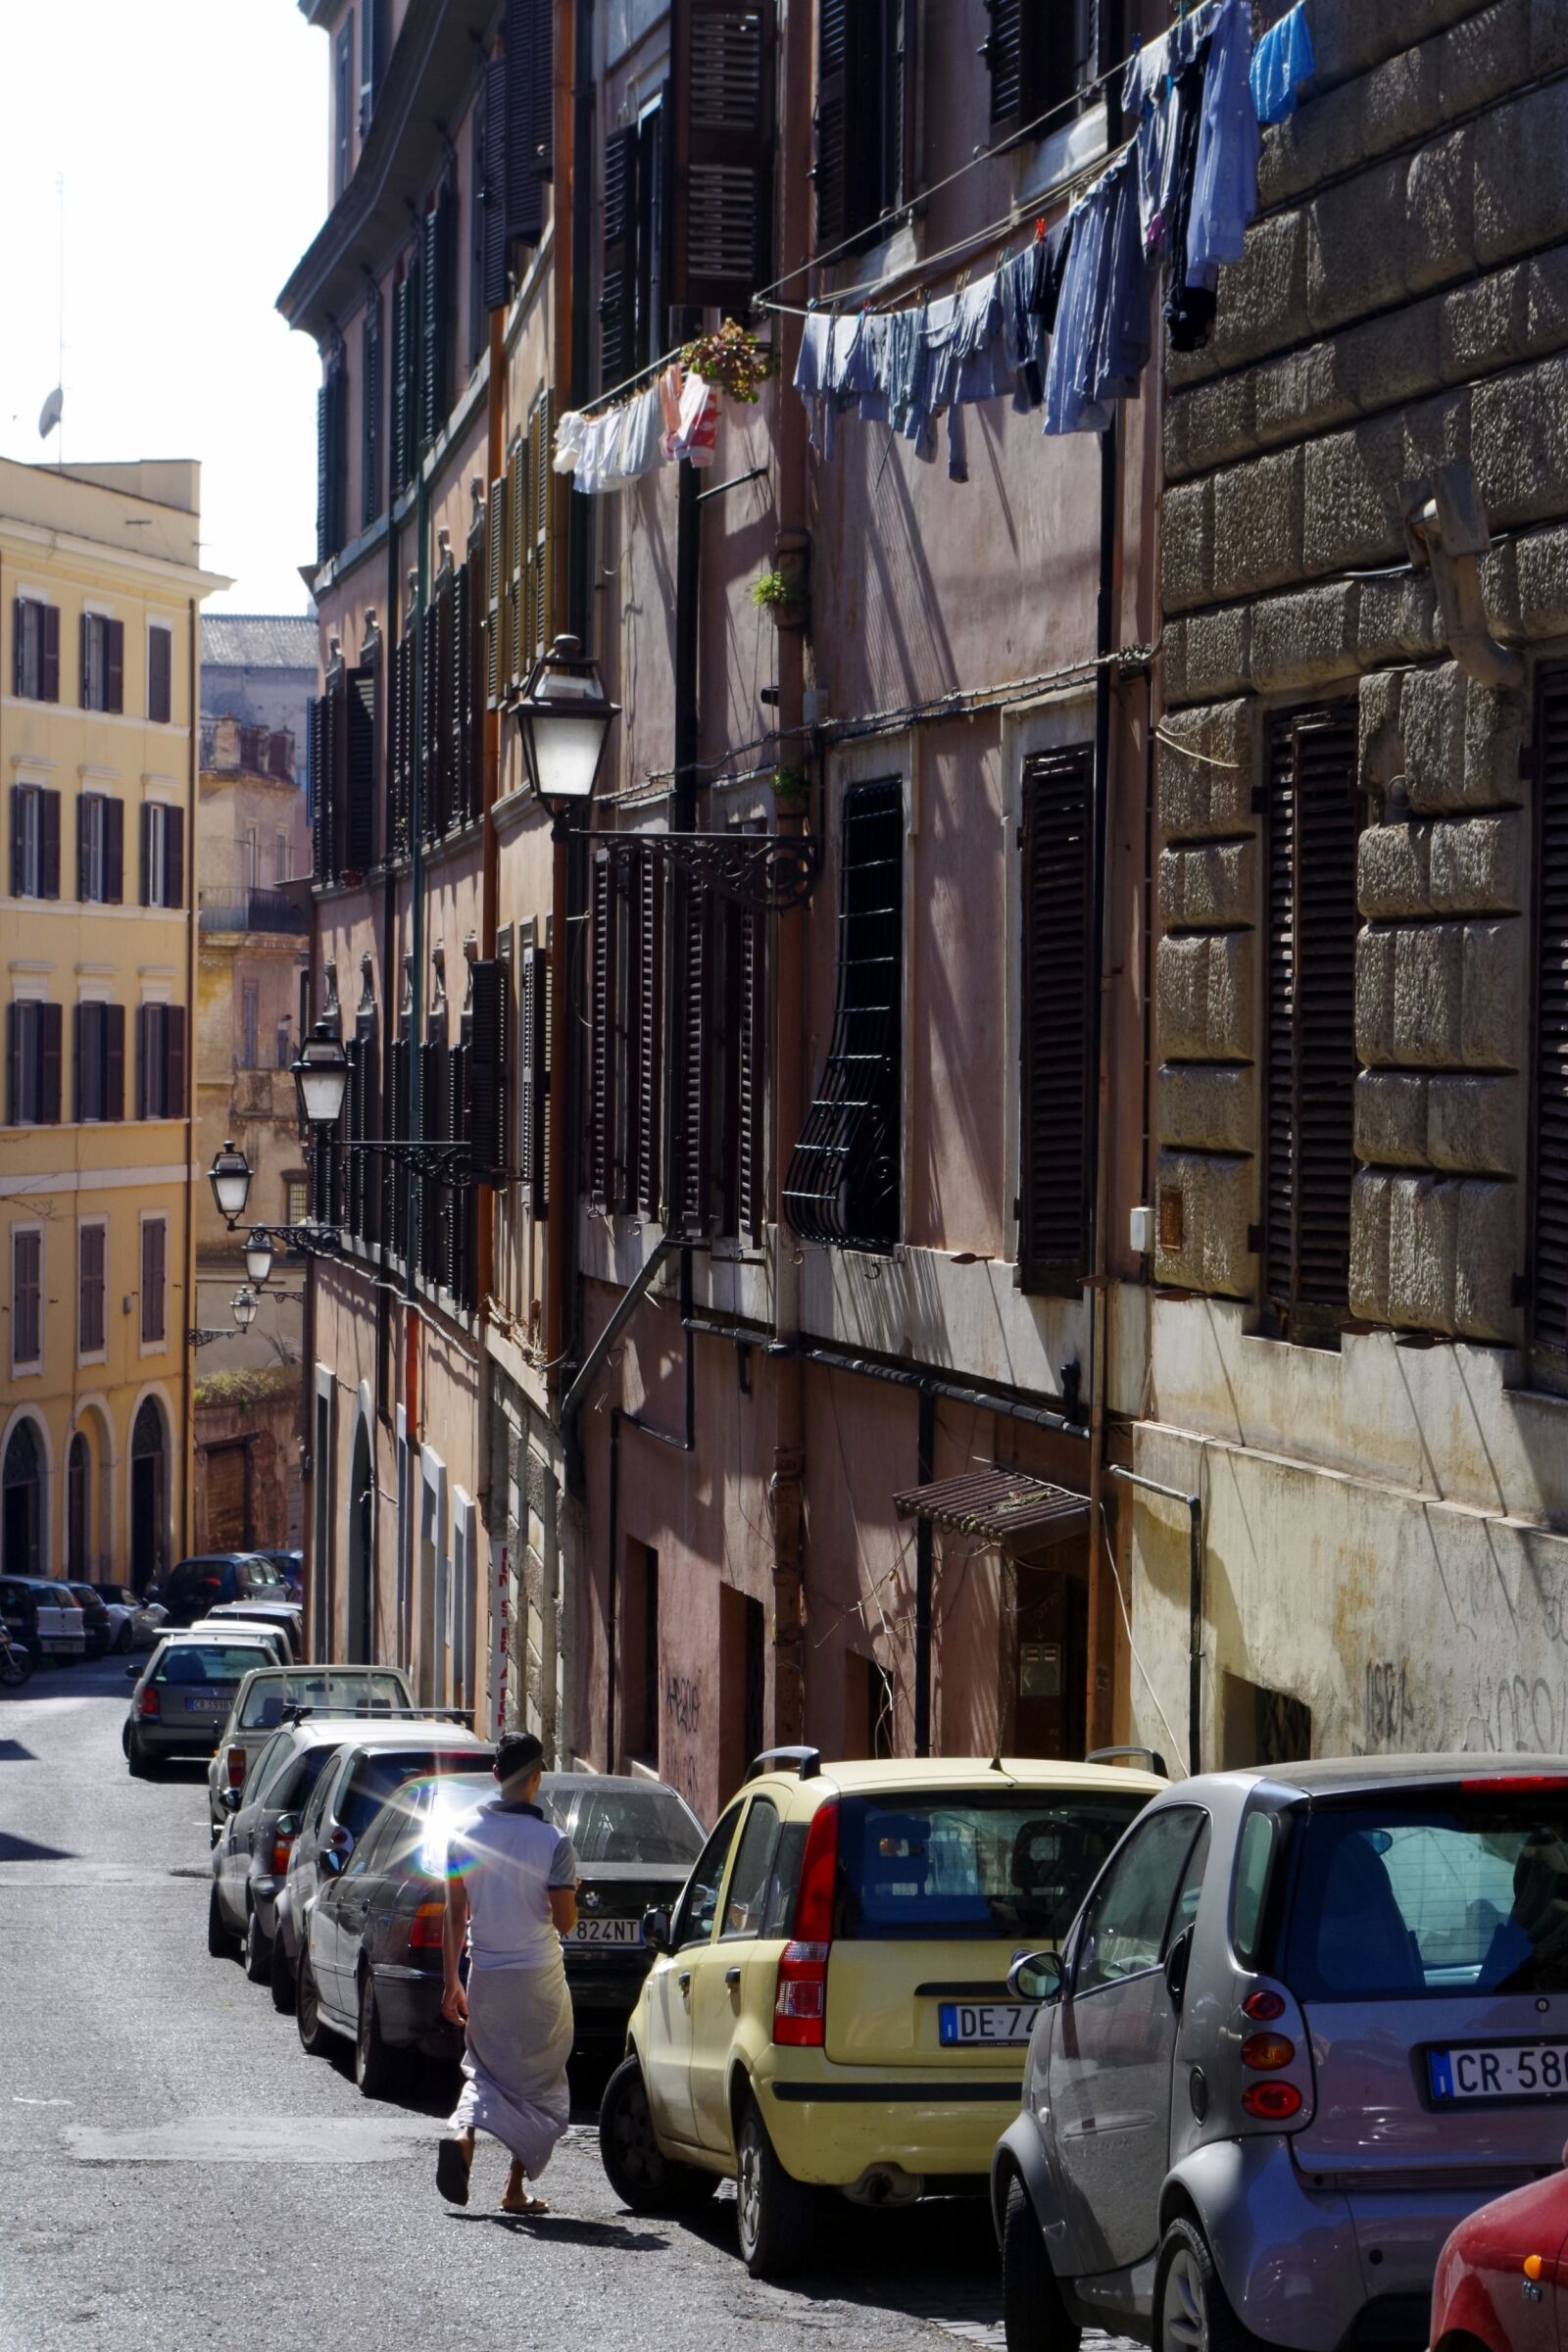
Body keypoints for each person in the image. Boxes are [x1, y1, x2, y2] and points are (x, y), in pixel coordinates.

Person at [437, 1731, 580, 2214]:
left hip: (487, 1975)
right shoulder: (554, 1842)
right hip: (539, 1977)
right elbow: (564, 1921)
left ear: (496, 1776)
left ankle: (463, 2134)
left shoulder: (461, 1835)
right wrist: (571, 1890)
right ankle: (515, 2187)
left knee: (482, 2066)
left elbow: (455, 1917)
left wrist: (451, 1981)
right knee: (541, 2077)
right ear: (537, 1778)